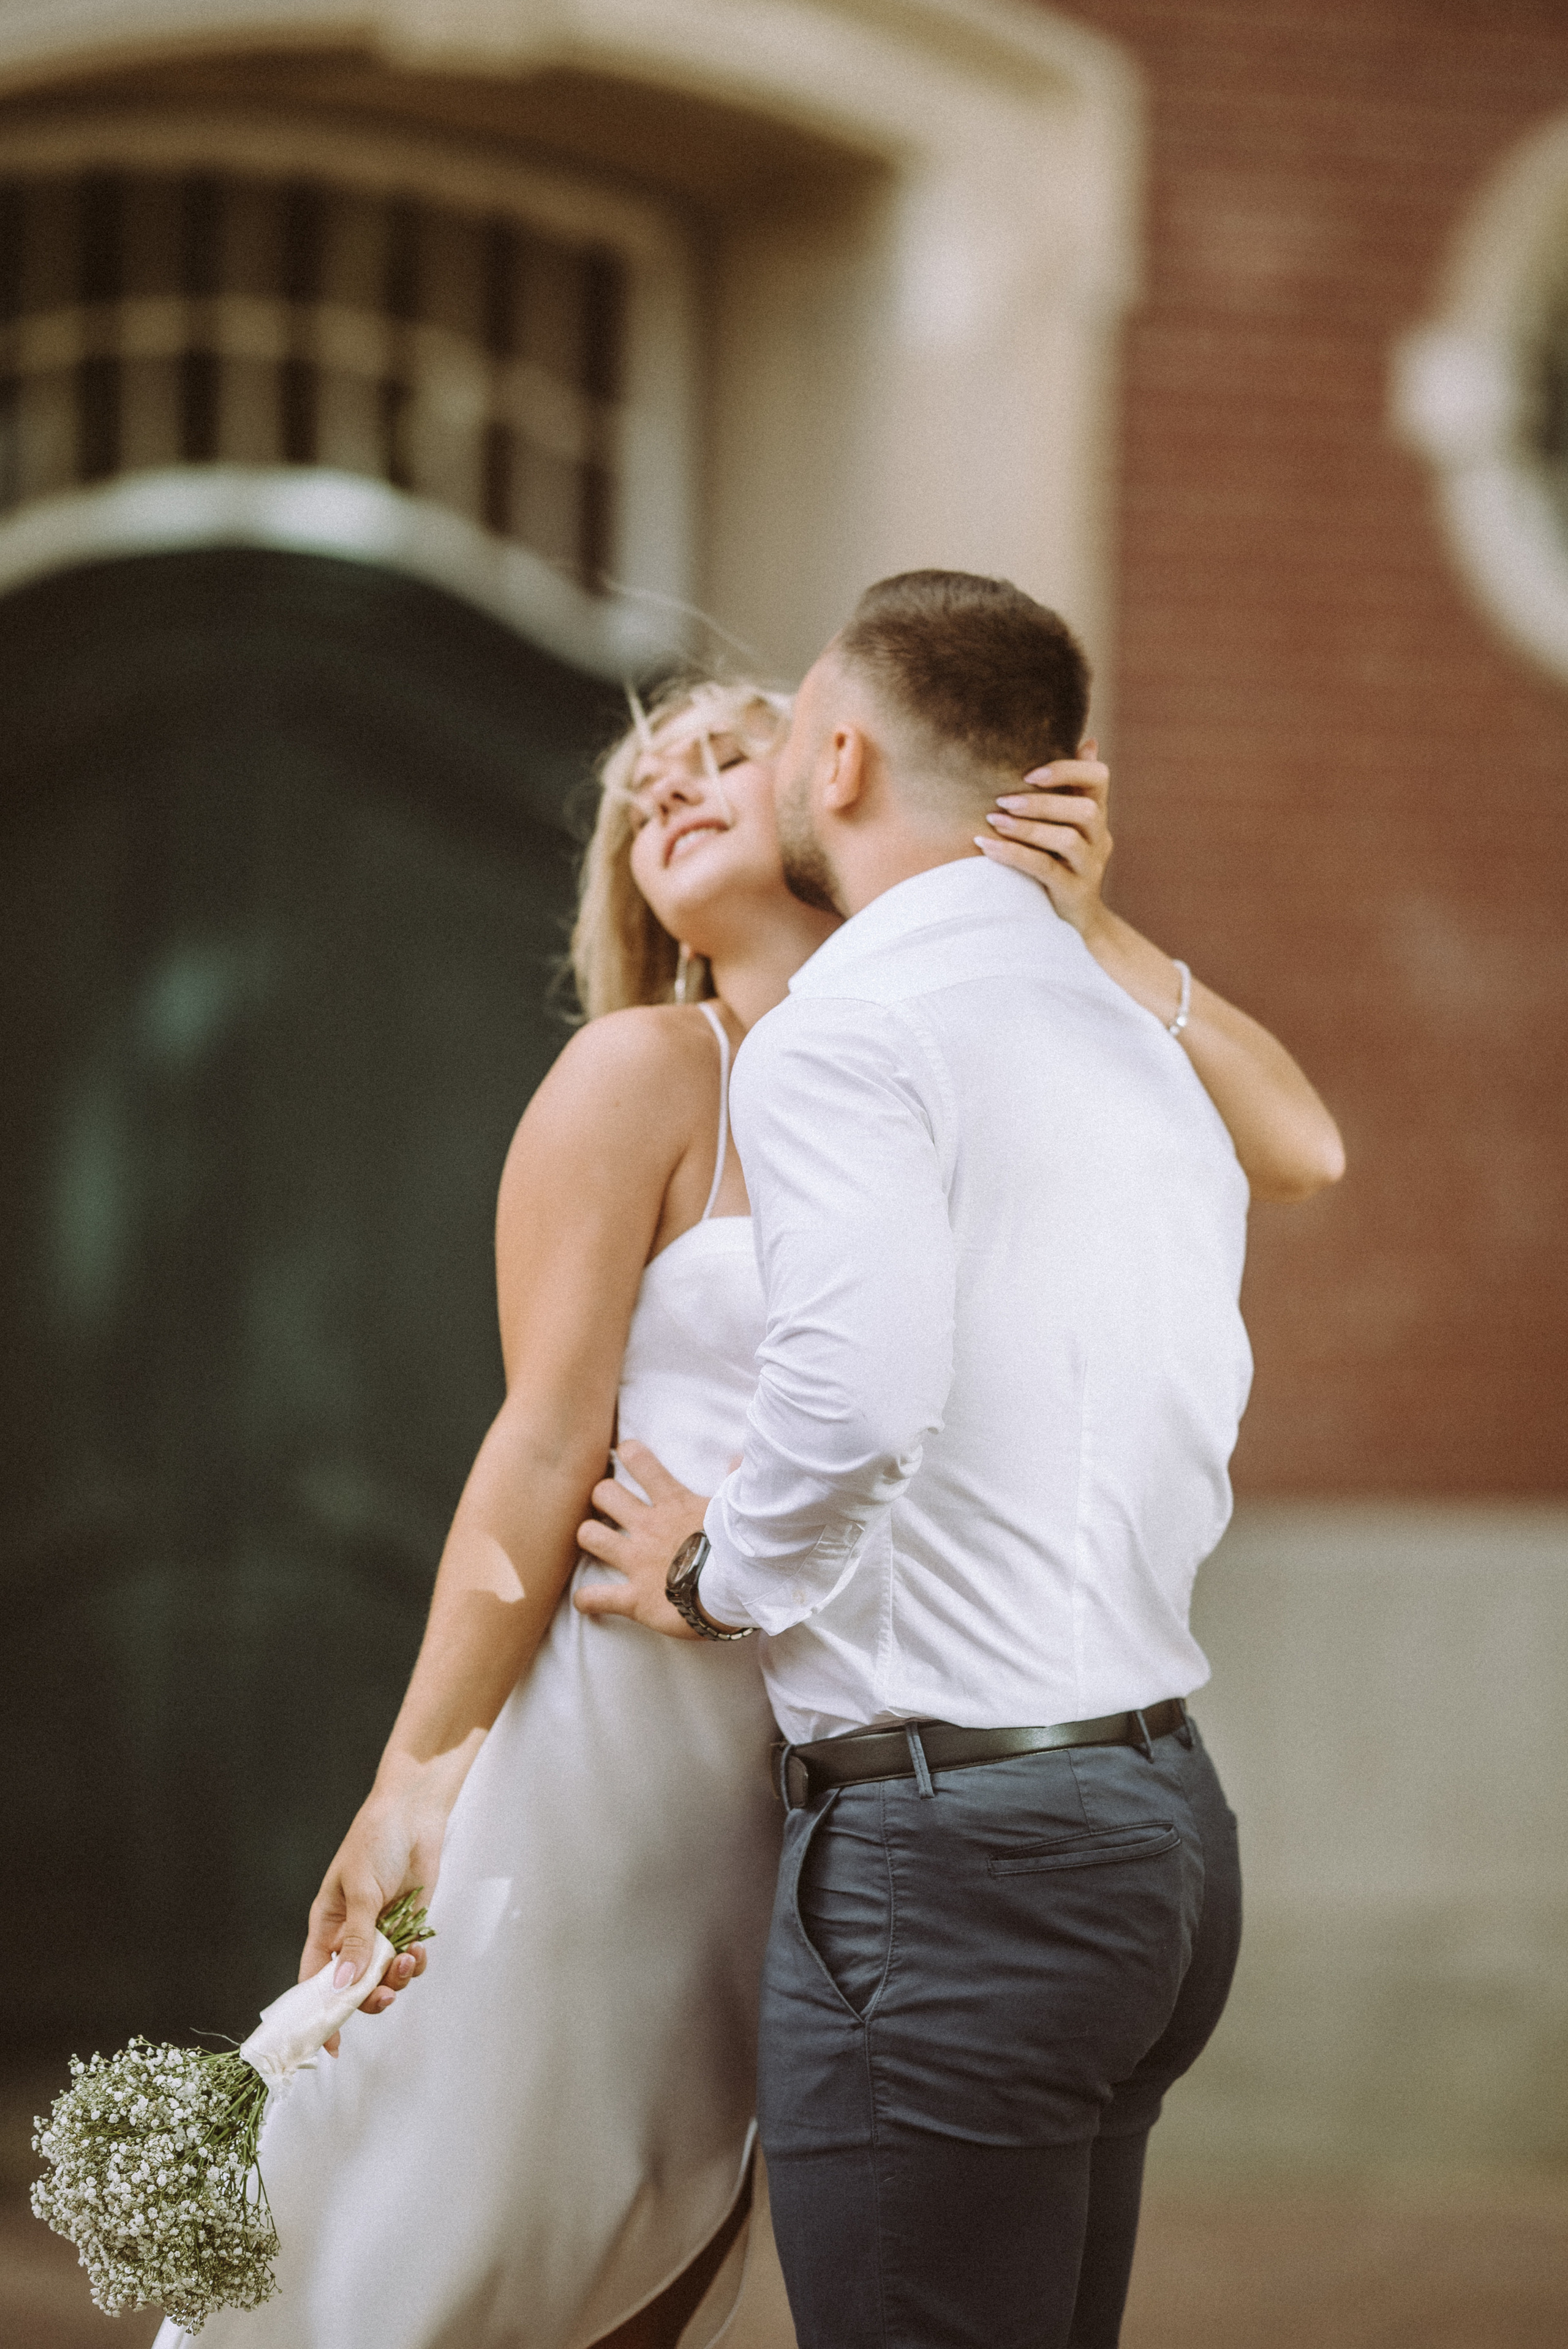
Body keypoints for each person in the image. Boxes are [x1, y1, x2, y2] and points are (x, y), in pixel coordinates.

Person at [156, 652, 1341, 2349]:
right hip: (618, 1774)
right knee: (445, 2248)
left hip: (822, 1800)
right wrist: (420, 1770)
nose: (672, 785)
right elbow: (541, 1441)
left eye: (725, 748)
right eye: (646, 788)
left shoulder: (979, 1049)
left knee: (670, 2257)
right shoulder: (644, 1070)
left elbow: (1296, 1144)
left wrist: (1075, 920)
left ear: (829, 782)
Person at [578, 573, 1317, 2349]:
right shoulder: (1134, 1046)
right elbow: (1289, 1154)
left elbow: (857, 1403)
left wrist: (709, 1573)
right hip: (1161, 1827)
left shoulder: (843, 1036)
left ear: (834, 756)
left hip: (955, 1856)